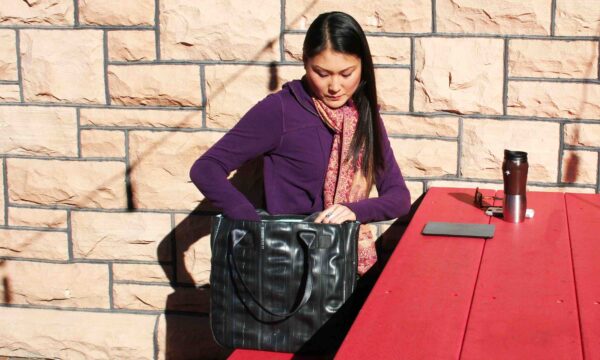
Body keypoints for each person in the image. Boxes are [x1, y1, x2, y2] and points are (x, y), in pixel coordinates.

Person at [190, 11, 410, 275]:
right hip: (289, 269)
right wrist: (254, 225)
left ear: (363, 65)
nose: (334, 86)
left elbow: (399, 198)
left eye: (346, 73)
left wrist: (352, 211)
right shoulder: (280, 111)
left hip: (345, 265)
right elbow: (206, 168)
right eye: (322, 72)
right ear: (305, 63)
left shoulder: (364, 117)